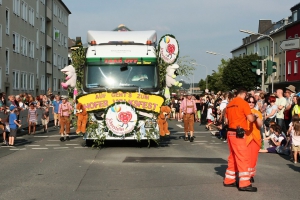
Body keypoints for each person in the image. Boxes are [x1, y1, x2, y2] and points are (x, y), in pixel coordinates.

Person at [223, 87, 258, 192]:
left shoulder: (229, 105)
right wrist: (255, 116)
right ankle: (244, 183)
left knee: (233, 156)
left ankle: (229, 180)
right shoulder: (243, 103)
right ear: (244, 94)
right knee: (243, 157)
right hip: (239, 133)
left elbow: (226, 121)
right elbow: (251, 119)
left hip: (230, 132)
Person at [245, 96, 263, 183]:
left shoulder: (257, 112)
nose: (251, 103)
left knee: (253, 158)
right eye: (249, 102)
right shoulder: (243, 112)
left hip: (255, 138)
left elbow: (260, 125)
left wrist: (256, 118)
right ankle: (245, 175)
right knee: (246, 157)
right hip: (246, 137)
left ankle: (251, 175)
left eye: (252, 102)